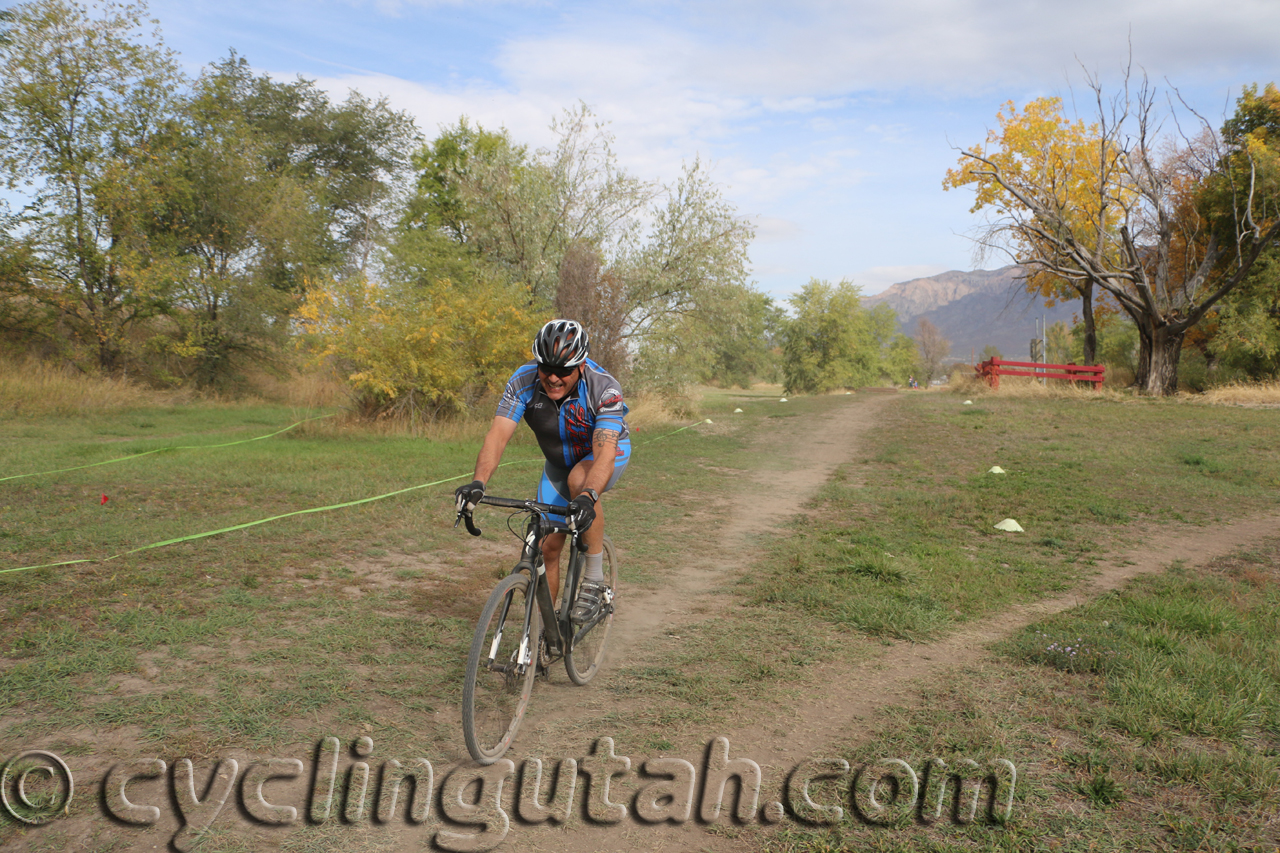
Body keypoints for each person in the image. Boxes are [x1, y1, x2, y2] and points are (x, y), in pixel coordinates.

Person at [455, 319, 630, 625]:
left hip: (605, 455)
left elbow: (604, 451)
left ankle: (593, 577)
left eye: (563, 371)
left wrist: (588, 495)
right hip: (558, 462)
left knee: (579, 480)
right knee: (547, 546)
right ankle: (544, 638)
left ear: (581, 365)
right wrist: (478, 482)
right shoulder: (522, 381)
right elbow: (497, 436)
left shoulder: (604, 387)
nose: (553, 377)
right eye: (545, 367)